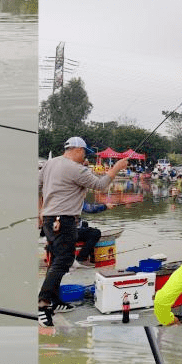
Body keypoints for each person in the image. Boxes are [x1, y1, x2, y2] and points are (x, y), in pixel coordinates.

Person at [37, 136, 129, 326]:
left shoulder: (49, 164)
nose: (85, 158)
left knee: (56, 261)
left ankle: (54, 300)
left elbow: (37, 187)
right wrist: (117, 167)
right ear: (77, 150)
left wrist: (40, 212)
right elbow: (101, 185)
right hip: (64, 220)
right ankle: (43, 304)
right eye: (84, 153)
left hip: (50, 220)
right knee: (62, 261)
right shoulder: (74, 168)